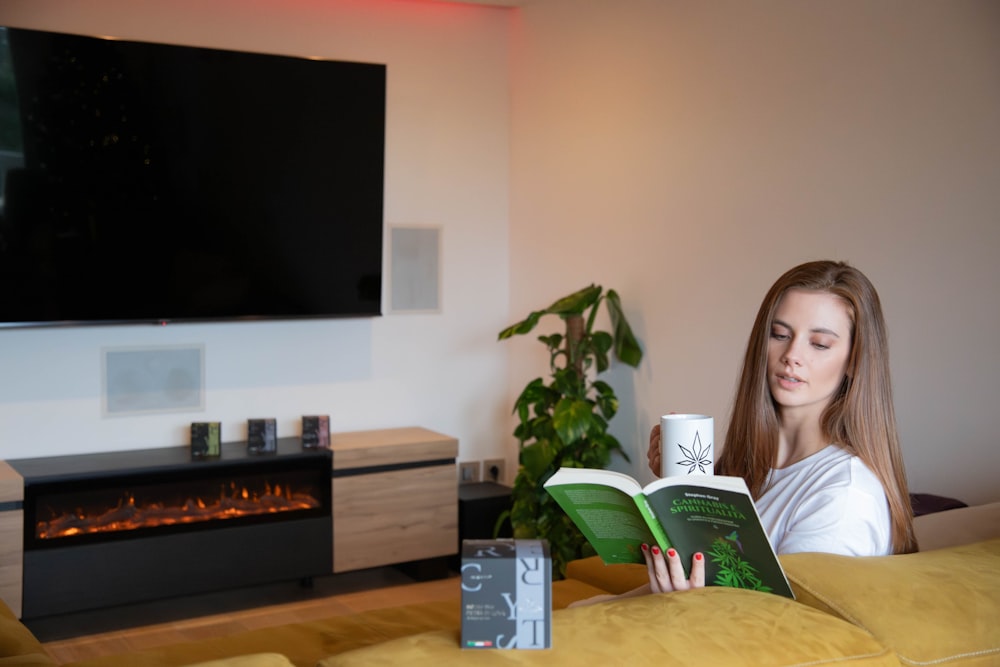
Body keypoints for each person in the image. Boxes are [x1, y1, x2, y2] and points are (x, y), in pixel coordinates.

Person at [581, 260, 918, 603]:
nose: (791, 355)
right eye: (780, 335)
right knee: (577, 610)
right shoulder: (751, 465)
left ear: (854, 360)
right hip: (692, 624)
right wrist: (680, 490)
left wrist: (691, 599)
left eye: (818, 343)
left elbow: (788, 630)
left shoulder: (844, 496)